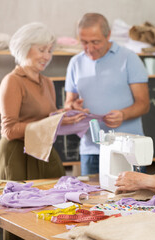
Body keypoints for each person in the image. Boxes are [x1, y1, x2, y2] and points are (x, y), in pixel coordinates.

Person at [64, 13, 150, 175]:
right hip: (91, 149)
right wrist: (73, 108)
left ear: (108, 35)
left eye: (95, 42)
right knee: (91, 199)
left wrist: (123, 115)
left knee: (131, 199)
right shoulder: (75, 62)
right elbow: (69, 103)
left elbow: (144, 104)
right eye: (84, 42)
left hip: (128, 148)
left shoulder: (129, 59)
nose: (89, 48)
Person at [0, 22, 84, 181]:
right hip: (17, 154)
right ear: (24, 47)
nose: (47, 56)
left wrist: (65, 114)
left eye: (50, 51)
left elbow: (45, 118)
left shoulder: (47, 82)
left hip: (42, 150)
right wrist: (52, 121)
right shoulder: (12, 81)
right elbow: (9, 131)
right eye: (42, 50)